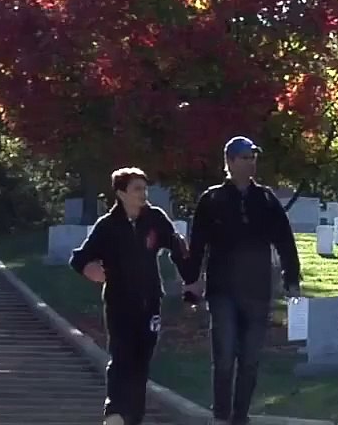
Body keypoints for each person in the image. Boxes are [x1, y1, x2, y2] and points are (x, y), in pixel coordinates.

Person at [181, 136, 302, 425]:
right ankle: (221, 415)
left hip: (257, 290)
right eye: (246, 157)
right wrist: (191, 282)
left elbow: (284, 240)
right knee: (224, 356)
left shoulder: (266, 199)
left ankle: (240, 416)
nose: (251, 163)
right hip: (222, 289)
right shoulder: (212, 200)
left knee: (250, 359)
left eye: (253, 157)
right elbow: (198, 245)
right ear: (231, 161)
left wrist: (291, 277)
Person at [70, 167, 188, 425]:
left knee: (141, 360)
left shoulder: (155, 218)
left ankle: (133, 417)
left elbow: (176, 247)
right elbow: (79, 258)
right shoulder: (107, 226)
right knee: (122, 355)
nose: (143, 194)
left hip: (150, 300)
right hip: (119, 301)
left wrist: (190, 277)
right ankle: (114, 411)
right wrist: (90, 269)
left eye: (145, 189)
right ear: (121, 193)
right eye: (137, 189)